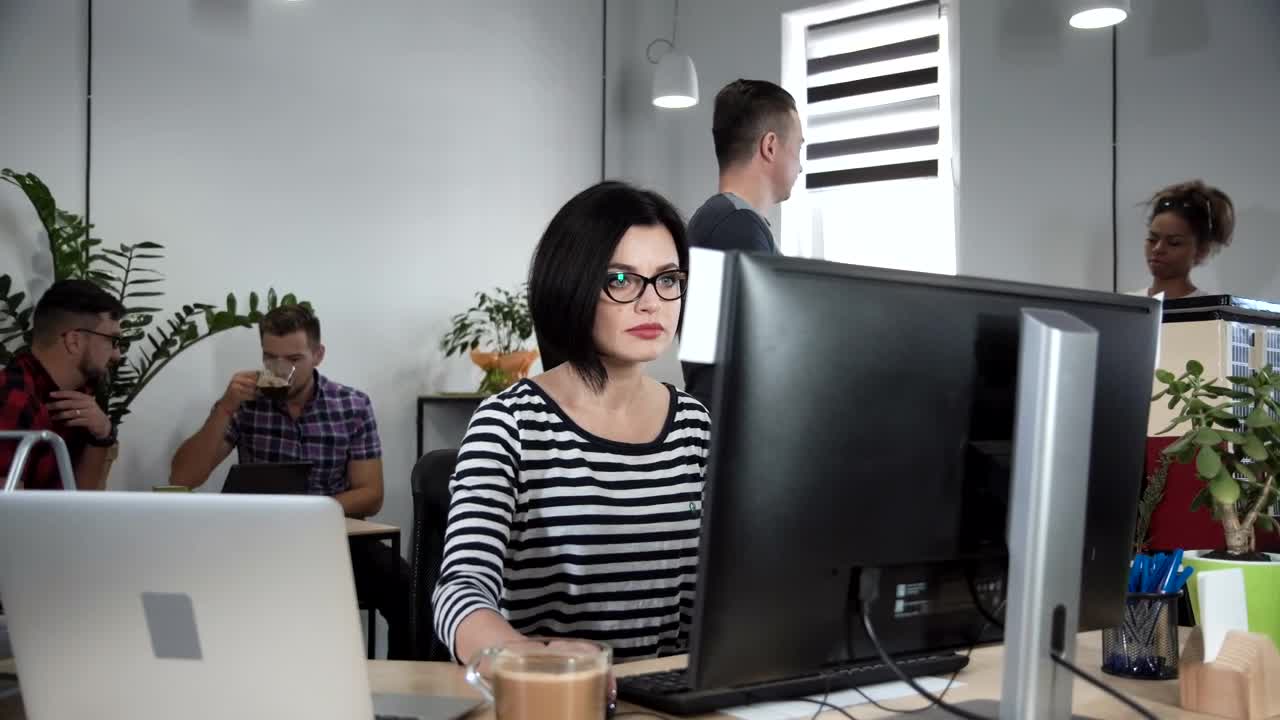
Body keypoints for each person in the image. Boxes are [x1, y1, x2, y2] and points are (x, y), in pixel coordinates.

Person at [432, 182, 712, 666]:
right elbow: (461, 589)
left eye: (667, 279)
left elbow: (715, 594)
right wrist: (520, 656)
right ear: (572, 286)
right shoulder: (511, 424)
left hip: (667, 692)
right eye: (621, 280)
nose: (652, 303)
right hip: (555, 693)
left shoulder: (693, 425)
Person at [169, 304, 412, 659]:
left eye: (294, 359)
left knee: (407, 589)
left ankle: (405, 686)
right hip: (256, 544)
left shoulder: (351, 405)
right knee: (193, 582)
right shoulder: (245, 403)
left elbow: (371, 494)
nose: (282, 369)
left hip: (331, 540)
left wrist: (307, 511)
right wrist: (224, 408)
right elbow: (183, 477)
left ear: (318, 355)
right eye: (271, 358)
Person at [682, 79, 804, 406]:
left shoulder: (720, 221)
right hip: (730, 425)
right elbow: (764, 354)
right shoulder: (735, 226)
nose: (801, 165)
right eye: (798, 148)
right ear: (770, 146)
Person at [0, 279, 123, 490]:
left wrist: (102, 434)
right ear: (74, 341)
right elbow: (9, 508)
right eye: (112, 340)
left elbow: (83, 501)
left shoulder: (82, 401)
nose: (117, 355)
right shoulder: (12, 396)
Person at [1129, 180, 1235, 300]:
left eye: (1174, 243)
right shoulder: (1126, 304)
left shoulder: (1210, 308)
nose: (1157, 249)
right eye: (1152, 239)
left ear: (1201, 251)